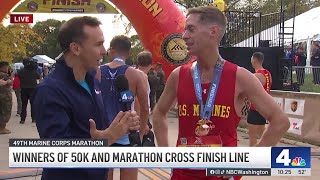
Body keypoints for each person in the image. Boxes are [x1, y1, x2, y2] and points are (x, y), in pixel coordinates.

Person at [152, 6, 290, 180]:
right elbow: (158, 113)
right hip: (183, 173)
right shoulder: (178, 75)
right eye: (185, 29)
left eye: (191, 29)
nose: (184, 35)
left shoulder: (240, 77)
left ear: (213, 31)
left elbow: (281, 122)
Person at [31, 16, 140, 180]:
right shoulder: (50, 91)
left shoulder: (92, 80)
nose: (104, 51)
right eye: (98, 44)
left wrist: (120, 126)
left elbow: (94, 129)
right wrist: (106, 139)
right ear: (76, 48)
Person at [97, 35, 149, 180]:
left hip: (104, 134)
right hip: (128, 135)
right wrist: (140, 132)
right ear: (129, 53)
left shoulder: (97, 71)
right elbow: (145, 107)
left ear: (111, 51)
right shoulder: (136, 74)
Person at [247, 52, 272, 146]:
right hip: (264, 108)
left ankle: (253, 158)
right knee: (262, 136)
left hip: (255, 108)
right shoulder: (268, 73)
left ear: (254, 60)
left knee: (252, 138)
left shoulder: (256, 76)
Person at [19, 57, 41, 124]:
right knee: (33, 104)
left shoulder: (21, 71)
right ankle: (34, 119)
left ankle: (22, 119)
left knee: (24, 105)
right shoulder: (34, 71)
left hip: (23, 88)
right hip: (32, 88)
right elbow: (39, 76)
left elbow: (19, 76)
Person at [0, 61, 12, 134]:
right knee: (5, 111)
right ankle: (2, 127)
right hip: (5, 96)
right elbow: (10, 83)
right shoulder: (4, 75)